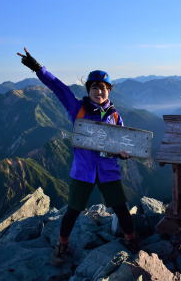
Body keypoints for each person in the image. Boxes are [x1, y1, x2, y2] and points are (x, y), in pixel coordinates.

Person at [17, 48, 137, 264]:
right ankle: (62, 244)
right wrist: (39, 69)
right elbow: (59, 89)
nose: (98, 91)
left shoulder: (116, 115)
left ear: (109, 91)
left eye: (103, 88)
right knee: (73, 210)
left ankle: (131, 239)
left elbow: (123, 142)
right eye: (94, 87)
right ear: (88, 90)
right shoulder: (78, 109)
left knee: (120, 207)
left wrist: (124, 155)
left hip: (108, 170)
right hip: (84, 171)